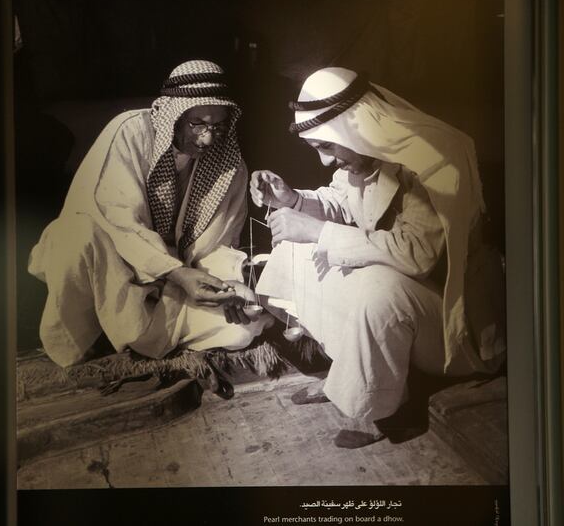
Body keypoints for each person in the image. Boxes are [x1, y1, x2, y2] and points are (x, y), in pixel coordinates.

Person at [251, 67, 506, 448]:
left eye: (327, 147)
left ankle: (374, 408)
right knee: (294, 249)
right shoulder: (366, 154)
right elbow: (343, 201)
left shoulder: (437, 161)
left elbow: (417, 254)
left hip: (456, 328)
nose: (326, 161)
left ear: (352, 128)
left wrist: (319, 232)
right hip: (409, 311)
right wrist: (293, 200)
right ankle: (351, 375)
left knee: (378, 286)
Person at [29, 60, 269, 369]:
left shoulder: (229, 165)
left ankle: (136, 337)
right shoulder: (131, 133)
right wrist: (176, 272)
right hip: (114, 267)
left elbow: (221, 243)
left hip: (176, 288)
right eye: (197, 123)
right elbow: (116, 220)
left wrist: (227, 287)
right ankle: (83, 341)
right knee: (74, 233)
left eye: (218, 127)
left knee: (243, 328)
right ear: (175, 116)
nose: (208, 139)